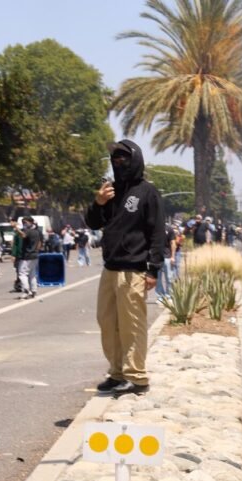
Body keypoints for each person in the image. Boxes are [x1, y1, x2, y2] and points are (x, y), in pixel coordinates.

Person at [86, 140, 165, 397]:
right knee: (107, 323)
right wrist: (98, 203)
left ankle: (136, 376)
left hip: (133, 271)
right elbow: (93, 223)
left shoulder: (147, 192)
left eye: (123, 158)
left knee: (132, 324)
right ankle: (117, 372)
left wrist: (153, 269)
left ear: (135, 160)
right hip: (110, 269)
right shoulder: (110, 192)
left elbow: (157, 233)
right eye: (115, 158)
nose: (118, 162)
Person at [15, 216, 42, 300]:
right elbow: (40, 243)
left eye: (25, 222)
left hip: (27, 256)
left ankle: (26, 291)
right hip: (34, 255)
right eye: (23, 222)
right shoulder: (37, 231)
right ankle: (34, 291)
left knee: (22, 273)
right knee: (32, 274)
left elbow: (23, 235)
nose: (24, 224)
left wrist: (16, 228)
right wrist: (36, 251)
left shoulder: (29, 231)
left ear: (31, 222)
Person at [155, 222, 177, 303]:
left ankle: (169, 296)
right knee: (157, 279)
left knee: (169, 278)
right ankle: (160, 296)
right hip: (156, 257)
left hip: (167, 257)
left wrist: (173, 256)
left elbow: (173, 243)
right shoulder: (153, 228)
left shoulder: (169, 228)